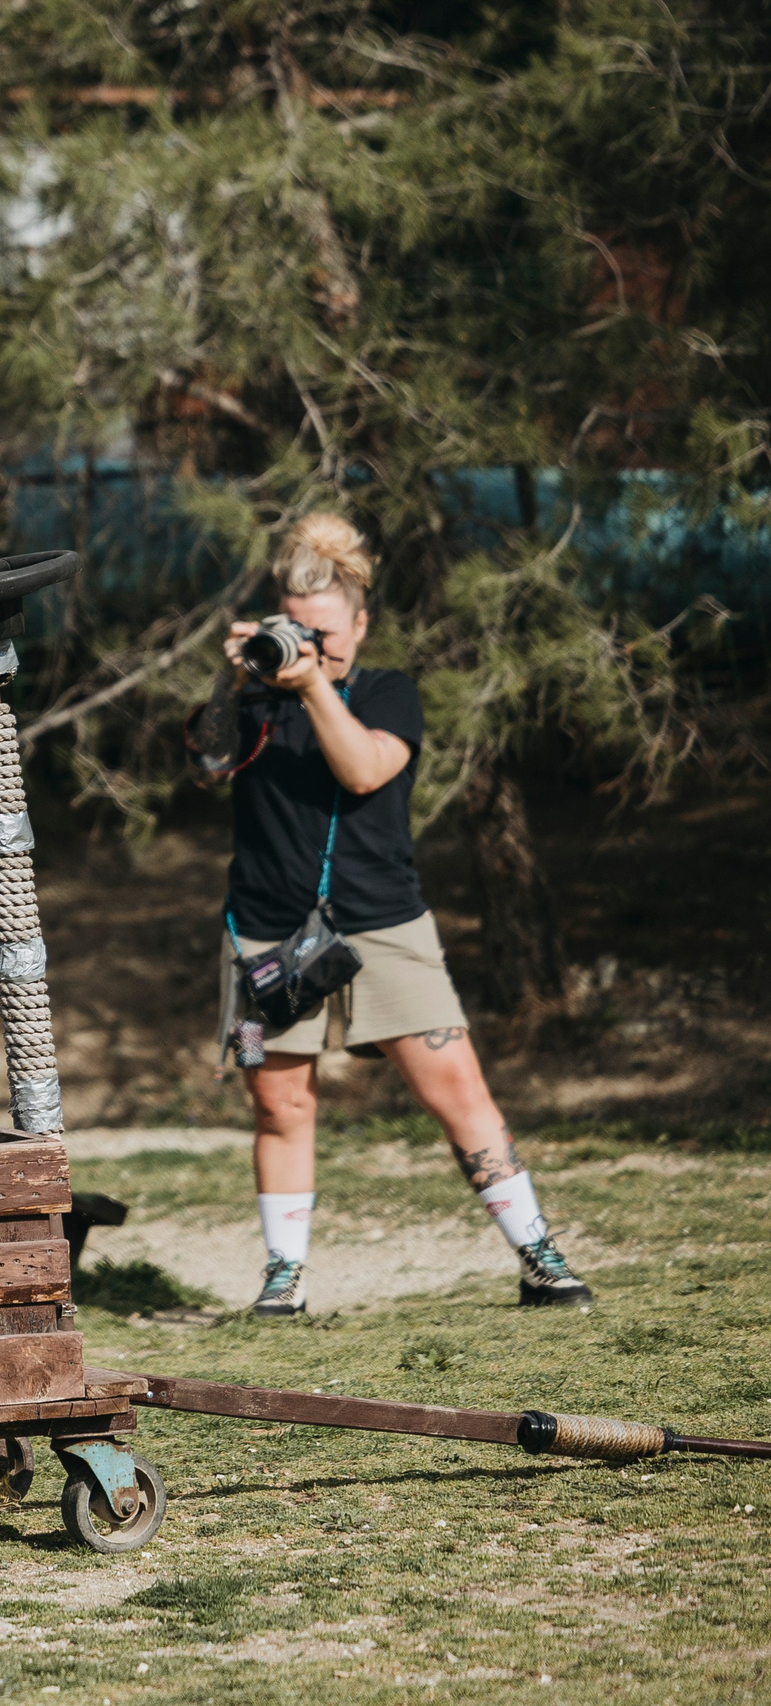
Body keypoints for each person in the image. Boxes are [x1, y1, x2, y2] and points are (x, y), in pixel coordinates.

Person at [213, 512, 591, 1319]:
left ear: (360, 623)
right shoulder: (256, 699)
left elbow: (362, 771)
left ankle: (538, 1255)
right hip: (265, 934)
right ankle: (285, 1275)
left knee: (457, 1086)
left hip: (383, 923)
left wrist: (314, 685)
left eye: (323, 630)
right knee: (279, 1103)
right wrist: (234, 679)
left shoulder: (388, 693)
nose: (309, 645)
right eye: (294, 629)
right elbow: (206, 762)